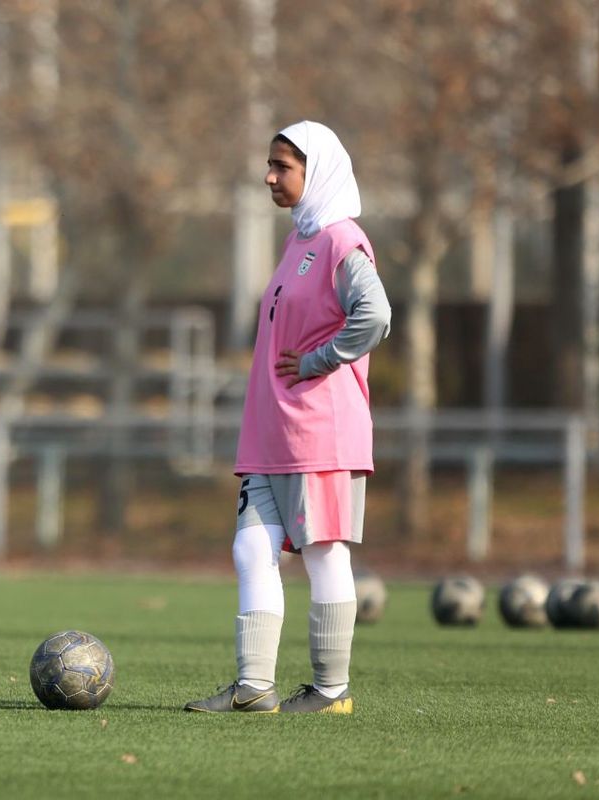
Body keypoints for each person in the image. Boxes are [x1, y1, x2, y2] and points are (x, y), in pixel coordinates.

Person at [185, 121, 391, 714]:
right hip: (272, 431)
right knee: (253, 550)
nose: (270, 176)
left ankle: (331, 691)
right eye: (270, 165)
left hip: (320, 432)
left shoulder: (340, 240)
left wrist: (323, 359)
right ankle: (254, 687)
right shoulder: (299, 240)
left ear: (318, 171)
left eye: (284, 166)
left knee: (324, 553)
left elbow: (374, 316)